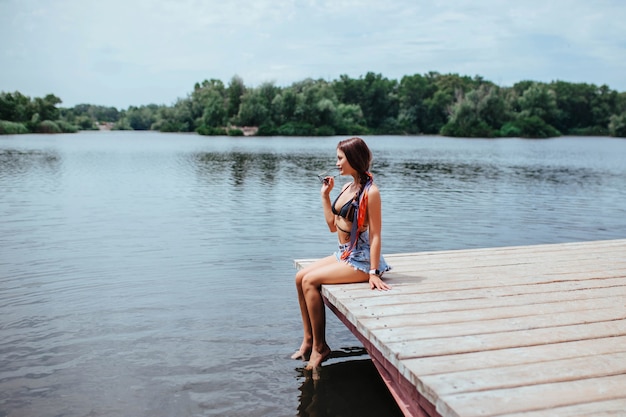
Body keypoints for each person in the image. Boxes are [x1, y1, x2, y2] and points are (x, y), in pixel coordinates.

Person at [293, 137, 391, 370]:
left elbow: (376, 235)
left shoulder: (371, 192)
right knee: (299, 278)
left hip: (362, 259)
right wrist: (325, 196)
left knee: (309, 280)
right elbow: (331, 226)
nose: (337, 163)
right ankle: (308, 341)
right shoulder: (348, 187)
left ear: (353, 159)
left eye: (340, 158)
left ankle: (320, 347)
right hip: (346, 252)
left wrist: (374, 272)